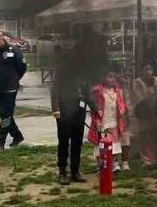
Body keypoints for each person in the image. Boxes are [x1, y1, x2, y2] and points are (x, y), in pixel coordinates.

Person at [52, 36, 96, 185]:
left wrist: (94, 108)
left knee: (77, 141)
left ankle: (75, 171)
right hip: (64, 108)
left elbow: (87, 90)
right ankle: (62, 172)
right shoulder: (62, 68)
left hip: (79, 108)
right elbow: (55, 89)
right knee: (64, 141)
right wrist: (55, 108)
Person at [0, 31, 27, 151]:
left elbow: (22, 67)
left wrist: (14, 78)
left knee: (5, 115)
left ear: (2, 39)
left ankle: (0, 142)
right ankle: (17, 135)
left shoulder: (13, 50)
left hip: (10, 87)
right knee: (4, 114)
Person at [87, 67, 128, 171]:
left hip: (114, 121)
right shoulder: (97, 91)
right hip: (102, 122)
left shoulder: (117, 91)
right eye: (110, 76)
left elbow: (121, 103)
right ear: (103, 78)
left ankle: (113, 163)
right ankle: (100, 164)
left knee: (114, 143)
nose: (112, 79)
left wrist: (122, 111)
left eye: (114, 77)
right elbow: (94, 105)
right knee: (101, 144)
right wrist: (97, 118)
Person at [130, 62, 157, 168]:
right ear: (141, 71)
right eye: (146, 69)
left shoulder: (156, 81)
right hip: (143, 112)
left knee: (153, 135)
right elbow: (139, 98)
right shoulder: (137, 82)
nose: (149, 72)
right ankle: (146, 160)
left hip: (154, 113)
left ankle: (154, 158)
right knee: (143, 135)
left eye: (150, 69)